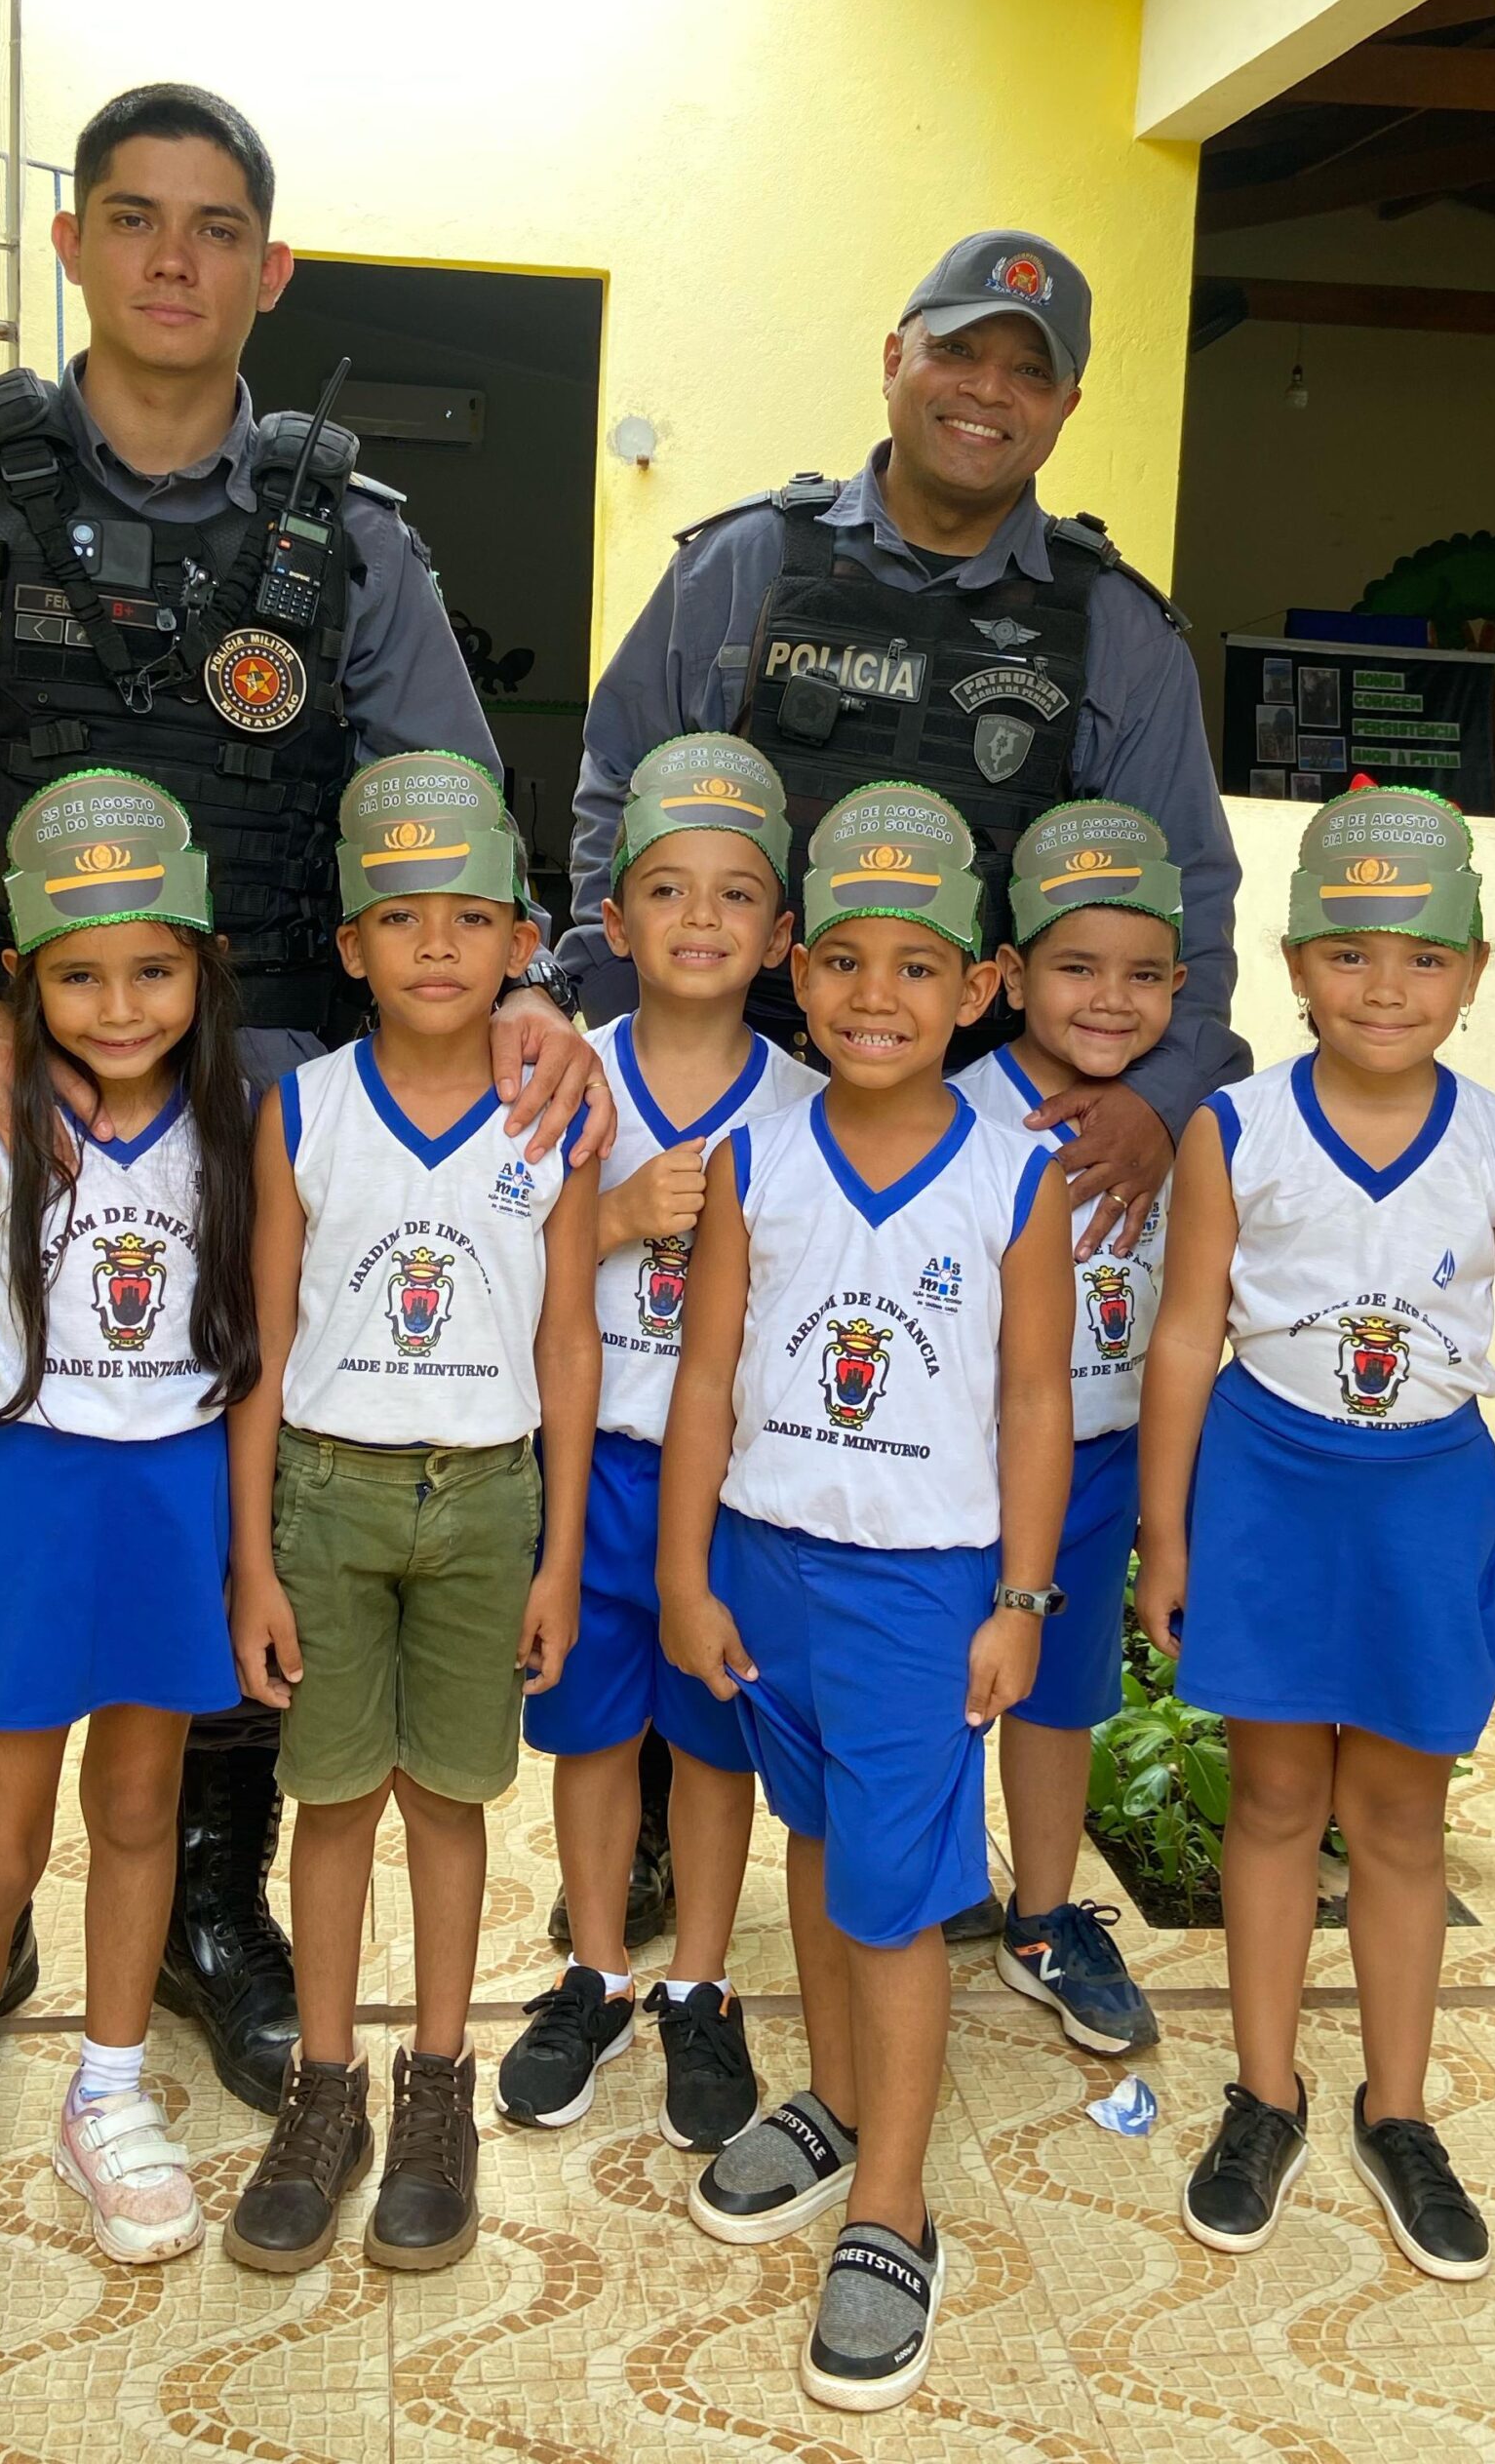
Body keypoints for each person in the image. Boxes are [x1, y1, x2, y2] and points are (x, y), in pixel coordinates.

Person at [0, 80, 603, 2139]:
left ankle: (212, 1905)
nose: (169, 257)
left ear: (267, 269)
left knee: (243, 1505)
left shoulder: (351, 543)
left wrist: (534, 1006)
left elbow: (465, 832)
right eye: (131, 218)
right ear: (70, 244)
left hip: (280, 1112)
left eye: (214, 227)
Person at [563, 227, 1248, 1278]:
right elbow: (620, 795)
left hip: (989, 1132)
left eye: (1030, 370)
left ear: (1066, 407)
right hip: (724, 1099)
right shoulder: (749, 563)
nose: (988, 391)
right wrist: (618, 1029)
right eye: (958, 352)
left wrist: (1159, 1097)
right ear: (894, 360)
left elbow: (1184, 887)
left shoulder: (1113, 626)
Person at [1134, 782, 1495, 2283]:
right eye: (1349, 951)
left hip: (1426, 1511)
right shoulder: (1234, 1131)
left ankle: (1400, 2111)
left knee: (1400, 1819)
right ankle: (1266, 2090)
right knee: (1268, 1804)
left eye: (1424, 957)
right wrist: (1170, 1533)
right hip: (1267, 1493)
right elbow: (1186, 1340)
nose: (1386, 986)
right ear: (1292, 961)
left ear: (1473, 970)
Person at [658, 784, 1071, 2411]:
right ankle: (831, 2106)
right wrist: (685, 1570)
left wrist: (1021, 1595)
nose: (875, 997)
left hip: (921, 1589)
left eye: (917, 967)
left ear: (977, 988)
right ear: (796, 976)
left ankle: (890, 2209)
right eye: (842, 962)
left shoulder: (1011, 1178)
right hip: (766, 1565)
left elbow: (1036, 1401)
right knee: (820, 1851)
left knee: (894, 1905)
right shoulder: (747, 1165)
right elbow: (701, 1385)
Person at [0, 774, 246, 2296]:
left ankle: (109, 2090)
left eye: (153, 969)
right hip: (20, 1498)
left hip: (170, 1498)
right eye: (81, 974)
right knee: (2, 1836)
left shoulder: (233, 1125)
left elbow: (256, 1345)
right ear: (24, 976)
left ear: (201, 968)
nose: (120, 1002)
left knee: (141, 1811)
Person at [221, 754, 601, 2276]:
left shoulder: (550, 1118)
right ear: (351, 944)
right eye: (401, 916)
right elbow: (258, 1343)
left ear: (524, 943)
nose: (436, 944)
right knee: (331, 1802)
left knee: (450, 1802)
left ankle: (434, 2083)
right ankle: (327, 2089)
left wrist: (561, 1554)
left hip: (490, 1497)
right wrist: (251, 1556)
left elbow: (571, 1340)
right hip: (329, 1493)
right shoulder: (302, 1111)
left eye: (470, 916)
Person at [500, 734, 819, 2153]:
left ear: (781, 937)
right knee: (593, 1733)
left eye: (737, 894)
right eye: (669, 892)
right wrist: (619, 1217)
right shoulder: (570, 1081)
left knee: (711, 1742)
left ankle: (700, 1978)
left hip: (729, 1490)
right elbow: (492, 1267)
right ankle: (595, 1972)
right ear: (611, 923)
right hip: (589, 1465)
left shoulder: (810, 1109)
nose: (701, 920)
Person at [951, 801, 1187, 2056]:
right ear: (1011, 975)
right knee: (940, 1682)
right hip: (958, 1458)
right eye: (1076, 968)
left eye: (1142, 974)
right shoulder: (961, 1110)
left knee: (1054, 1699)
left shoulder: (1172, 1121)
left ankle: (1040, 1915)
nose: (1110, 1000)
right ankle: (931, 1889)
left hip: (1098, 1458)